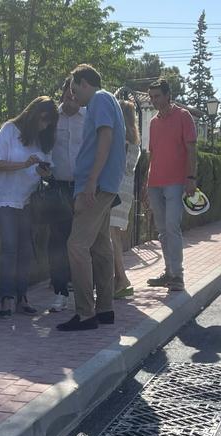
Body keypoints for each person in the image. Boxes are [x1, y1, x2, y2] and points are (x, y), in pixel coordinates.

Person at [58, 64, 126, 332]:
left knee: (76, 245)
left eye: (74, 89)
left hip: (95, 186)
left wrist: (91, 182)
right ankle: (105, 309)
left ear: (84, 83)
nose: (72, 96)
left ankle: (85, 313)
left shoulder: (99, 100)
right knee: (100, 247)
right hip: (104, 184)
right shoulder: (108, 101)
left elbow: (105, 137)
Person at [0, 96, 58, 317]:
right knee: (10, 247)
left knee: (26, 250)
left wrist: (41, 171)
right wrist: (24, 164)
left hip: (26, 200)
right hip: (5, 198)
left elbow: (40, 169)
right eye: (44, 119)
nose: (45, 125)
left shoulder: (42, 140)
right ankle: (7, 298)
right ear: (34, 113)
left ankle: (22, 296)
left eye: (49, 123)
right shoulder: (9, 130)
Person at [145, 78, 198, 292]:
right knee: (162, 231)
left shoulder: (183, 117)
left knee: (172, 228)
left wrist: (191, 178)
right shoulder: (153, 122)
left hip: (176, 183)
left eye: (157, 96)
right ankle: (169, 272)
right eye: (151, 97)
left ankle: (178, 275)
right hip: (155, 183)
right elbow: (153, 155)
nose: (154, 100)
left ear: (168, 95)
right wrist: (146, 182)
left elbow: (192, 150)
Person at [44, 78, 85, 313]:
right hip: (58, 186)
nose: (71, 101)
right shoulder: (53, 118)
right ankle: (60, 292)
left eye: (75, 97)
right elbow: (44, 147)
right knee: (57, 242)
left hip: (82, 187)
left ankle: (83, 291)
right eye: (67, 96)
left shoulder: (88, 117)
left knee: (81, 242)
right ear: (62, 95)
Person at [108, 93, 142, 299]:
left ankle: (121, 278)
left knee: (111, 236)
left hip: (116, 188)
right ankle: (118, 278)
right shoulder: (134, 141)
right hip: (126, 190)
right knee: (115, 236)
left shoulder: (119, 138)